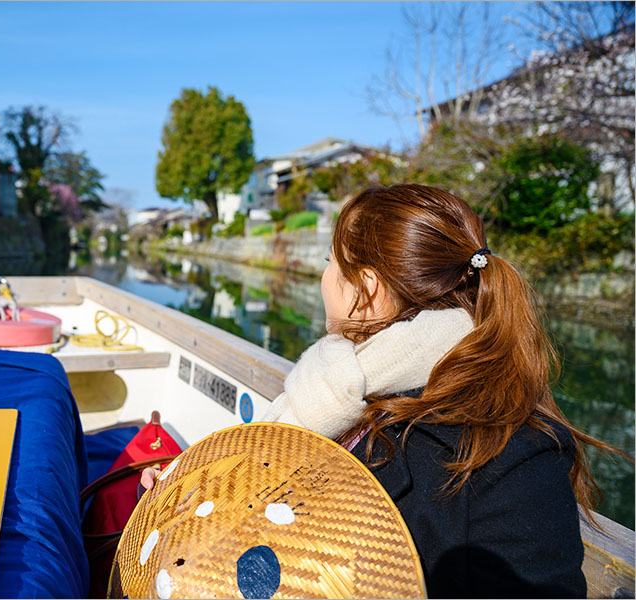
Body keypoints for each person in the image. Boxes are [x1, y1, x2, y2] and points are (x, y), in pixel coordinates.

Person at [141, 184, 628, 598]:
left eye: (332, 264)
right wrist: (192, 500)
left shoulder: (515, 458)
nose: (324, 277)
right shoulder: (337, 387)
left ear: (366, 287)